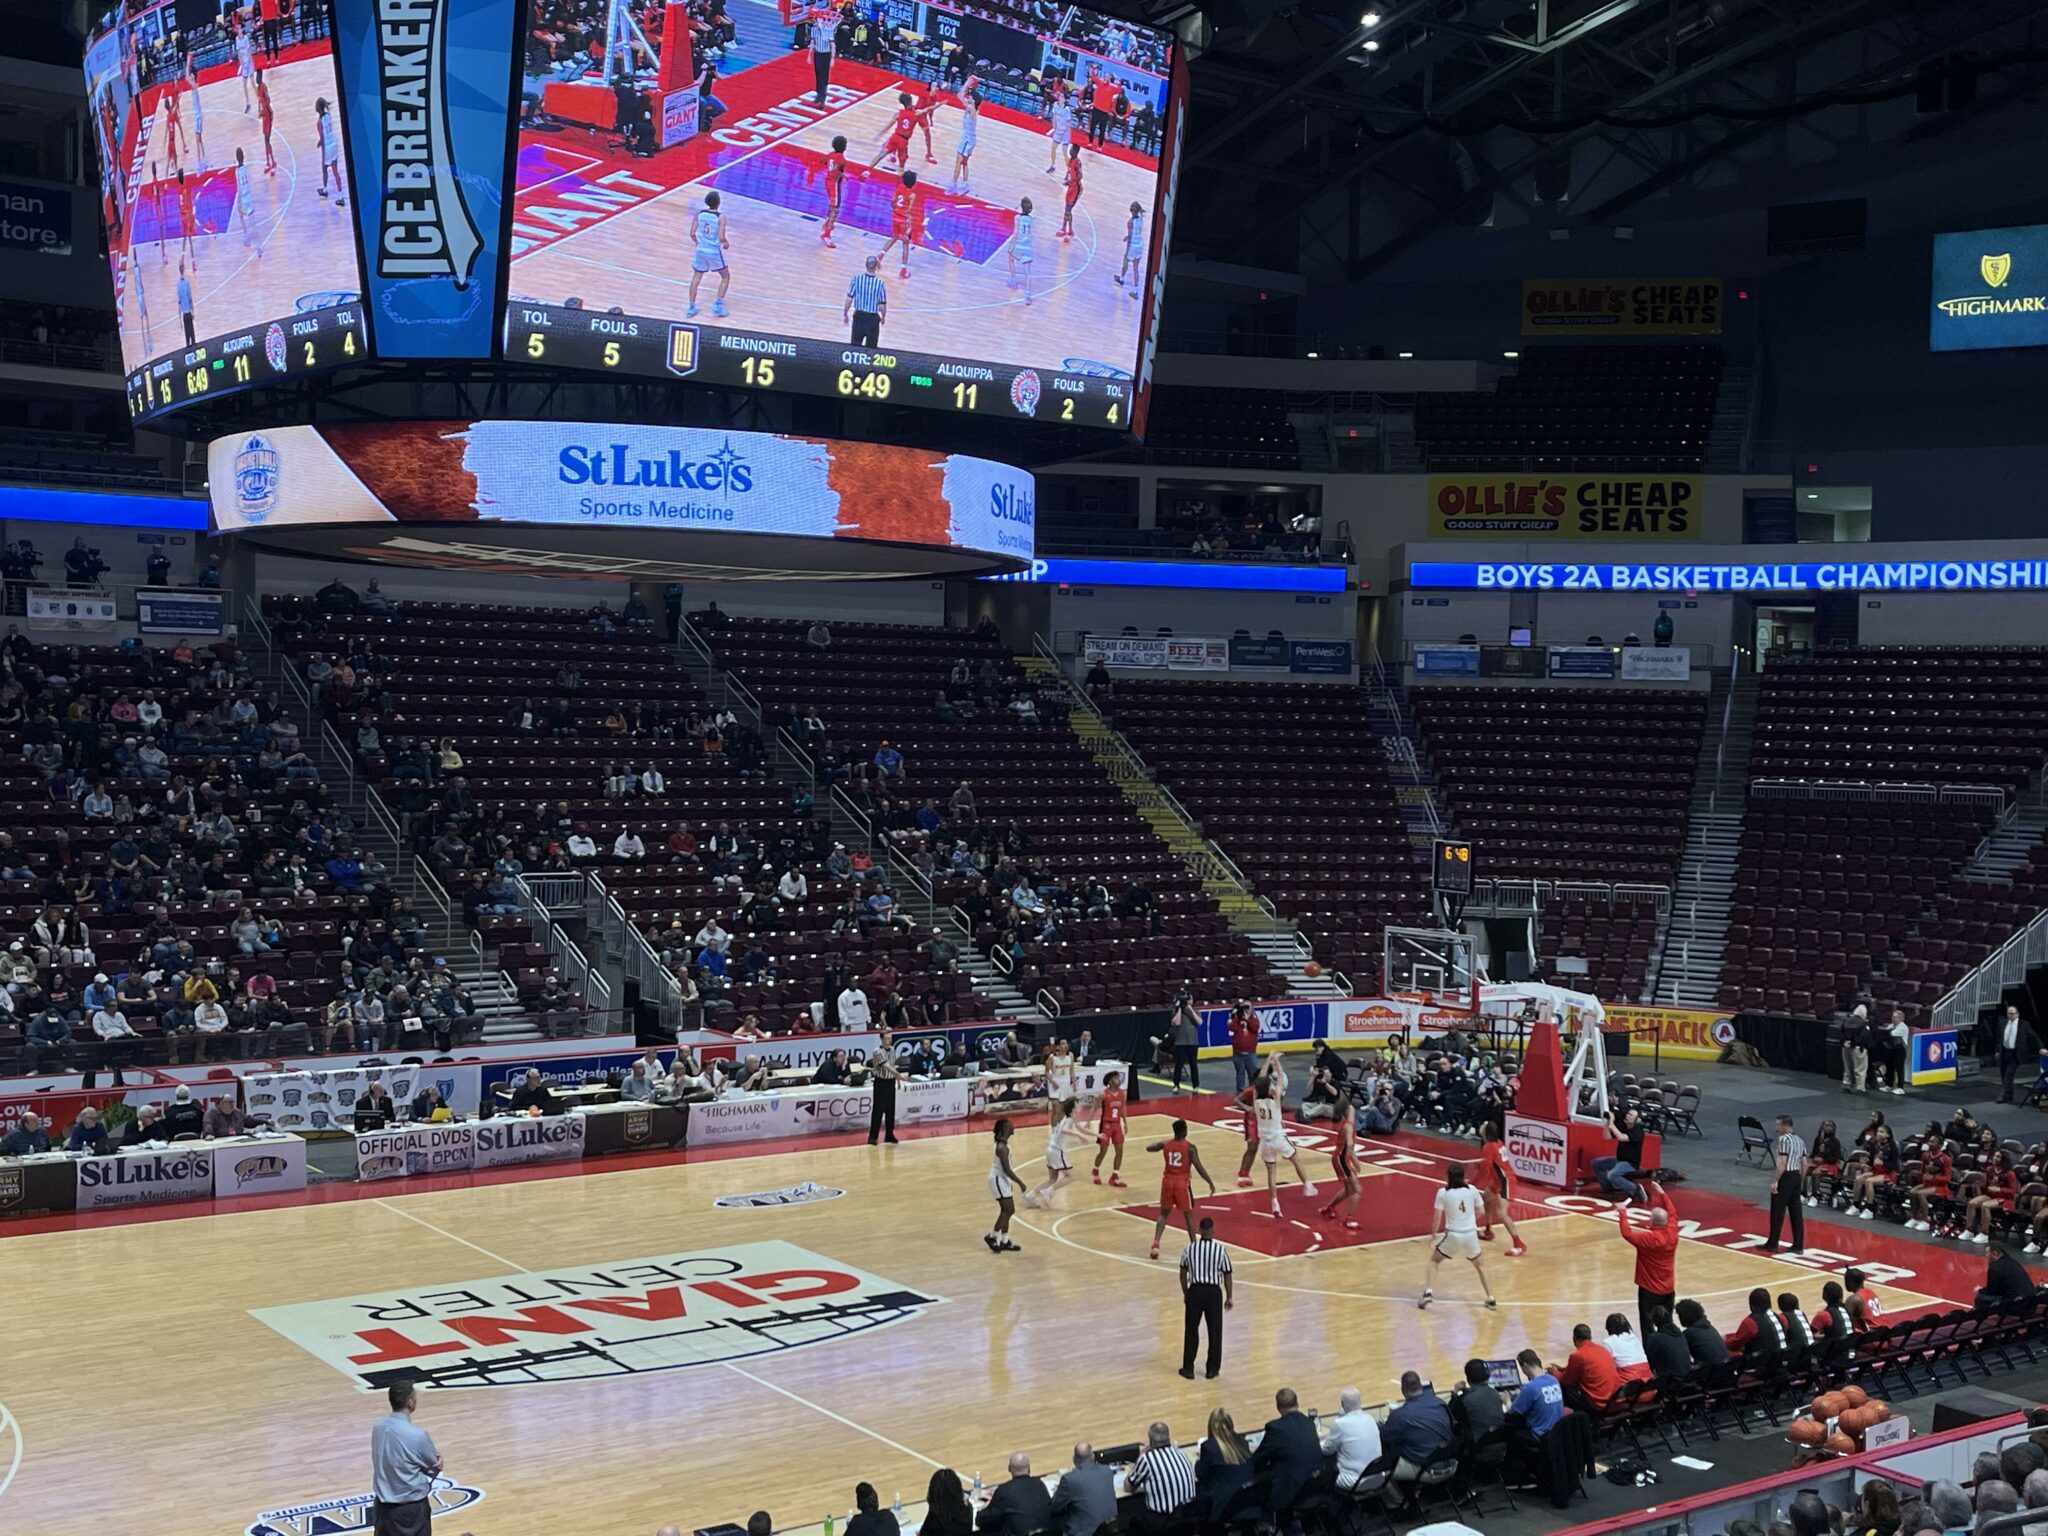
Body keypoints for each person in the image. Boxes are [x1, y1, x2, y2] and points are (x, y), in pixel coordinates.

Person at [371, 1381, 443, 1536]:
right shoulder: (418, 1435)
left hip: (382, 1507)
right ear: (410, 1403)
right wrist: (439, 1461)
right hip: (410, 1511)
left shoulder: (378, 1427)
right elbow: (433, 1468)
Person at [1422, 1162, 1496, 1310]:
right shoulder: (1472, 1190)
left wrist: (1433, 1234)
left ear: (1448, 1177)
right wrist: (1469, 1219)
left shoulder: (1443, 1192)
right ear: (1463, 1176)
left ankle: (1428, 1293)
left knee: (1434, 1261)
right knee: (1480, 1266)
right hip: (1470, 1235)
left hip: (1454, 1235)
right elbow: (1481, 1211)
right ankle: (1491, 1298)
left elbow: (1437, 1216)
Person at [1147, 1118, 1216, 1258]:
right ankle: (1195, 1246)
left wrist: (1166, 1142)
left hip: (1167, 1182)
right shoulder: (1190, 1147)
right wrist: (1210, 1182)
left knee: (1163, 1214)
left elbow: (1149, 1148)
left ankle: (1155, 1244)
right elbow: (1199, 1167)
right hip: (1181, 1184)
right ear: (1185, 1131)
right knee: (1188, 1215)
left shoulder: (1166, 1144)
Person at [1618, 1177, 1679, 1333]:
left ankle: (1651, 1352)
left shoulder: (1648, 1239)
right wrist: (1662, 1193)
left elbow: (1627, 1233)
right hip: (1668, 1288)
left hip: (1649, 1289)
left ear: (1651, 1221)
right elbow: (1673, 1213)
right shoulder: (1672, 1232)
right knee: (1667, 1322)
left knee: (1647, 1324)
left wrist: (1622, 1212)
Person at [1251, 1388, 1322, 1516]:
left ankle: (1266, 1521)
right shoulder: (1309, 1423)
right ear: (1297, 1403)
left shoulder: (1275, 1428)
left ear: (1278, 1407)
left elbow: (1258, 1460)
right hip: (1315, 1488)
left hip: (1291, 1491)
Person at [1178, 1215, 1233, 1379]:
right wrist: (1229, 1296)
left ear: (1200, 1230)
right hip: (1213, 1293)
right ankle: (1212, 1369)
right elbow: (1227, 1274)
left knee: (1191, 1331)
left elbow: (1182, 1272)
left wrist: (1186, 1292)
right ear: (1213, 1231)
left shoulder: (1190, 1249)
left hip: (1195, 1291)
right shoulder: (1220, 1250)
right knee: (1215, 1332)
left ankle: (1188, 1368)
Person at [1252, 1077, 1316, 1215]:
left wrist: (1269, 1061)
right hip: (1277, 1137)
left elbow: (1259, 1084)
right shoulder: (1275, 1101)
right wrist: (1277, 1065)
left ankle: (1275, 1203)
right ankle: (1307, 1185)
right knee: (1295, 1159)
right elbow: (1280, 1083)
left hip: (1265, 1140)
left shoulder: (1256, 1103)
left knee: (1271, 1173)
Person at [1383, 1370, 1453, 1490]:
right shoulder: (1440, 1403)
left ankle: (1401, 1503)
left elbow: (1385, 1437)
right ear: (1421, 1386)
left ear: (1403, 1391)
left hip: (1428, 1470)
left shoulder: (1400, 1416)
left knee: (1381, 1471)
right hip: (1452, 1463)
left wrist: (1391, 1420)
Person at [1124, 1421, 1197, 1533]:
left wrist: (1137, 1463)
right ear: (1168, 1438)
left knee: (1133, 1519)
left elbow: (1128, 1487)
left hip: (1165, 1523)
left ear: (1151, 1441)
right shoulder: (1181, 1453)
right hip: (1188, 1520)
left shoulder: (1147, 1459)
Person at [1476, 1120, 1527, 1254]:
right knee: (1485, 1199)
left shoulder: (1488, 1147)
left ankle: (1518, 1244)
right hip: (1498, 1180)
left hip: (1505, 1181)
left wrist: (1471, 1183)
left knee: (1502, 1214)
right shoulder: (1498, 1142)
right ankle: (1488, 1230)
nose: (1480, 1126)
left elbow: (1485, 1169)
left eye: (1482, 1126)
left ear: (1486, 1131)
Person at [1319, 1386, 1384, 1490]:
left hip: (1354, 1481)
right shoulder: (1370, 1418)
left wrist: (1318, 1441)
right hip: (1378, 1478)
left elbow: (1327, 1450)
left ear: (1342, 1404)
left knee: (1325, 1474)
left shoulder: (1340, 1423)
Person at [976, 1452, 1052, 1536]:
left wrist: (983, 1509)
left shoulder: (1005, 1491)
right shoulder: (1040, 1485)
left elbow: (981, 1520)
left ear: (1009, 1469)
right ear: (1029, 1468)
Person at [1763, 1113, 1808, 1254]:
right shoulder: (1800, 1140)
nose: (1777, 1128)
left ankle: (1773, 1242)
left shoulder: (1783, 1140)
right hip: (1796, 1176)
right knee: (1796, 1213)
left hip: (1786, 1176)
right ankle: (1798, 1245)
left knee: (1777, 1211)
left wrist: (1776, 1181)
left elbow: (1782, 1163)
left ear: (1785, 1125)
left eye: (1778, 1125)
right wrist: (1800, 1180)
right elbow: (1805, 1163)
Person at [1050, 1444, 1117, 1536]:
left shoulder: (1069, 1479)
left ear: (1074, 1460)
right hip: (1110, 1530)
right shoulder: (1107, 1471)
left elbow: (1054, 1508)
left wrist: (1057, 1492)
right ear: (1093, 1456)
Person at [1317, 1091, 1362, 1229]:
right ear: (1347, 1112)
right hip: (1341, 1159)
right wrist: (1355, 1161)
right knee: (1357, 1189)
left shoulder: (1348, 1122)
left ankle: (1328, 1208)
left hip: (1340, 1158)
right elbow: (1349, 1147)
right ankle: (1349, 1219)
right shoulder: (1348, 1126)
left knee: (1349, 1189)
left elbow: (1350, 1109)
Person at [1554, 1322, 1623, 1411]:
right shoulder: (1603, 1350)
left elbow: (1566, 1381)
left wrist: (1554, 1372)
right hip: (1615, 1401)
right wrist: (1564, 1369)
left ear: (1574, 1339)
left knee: (1564, 1388)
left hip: (1599, 1405)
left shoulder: (1577, 1355)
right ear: (1590, 1337)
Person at [686, 189, 732, 318]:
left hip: (701, 250)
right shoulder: (720, 217)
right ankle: (718, 305)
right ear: (718, 203)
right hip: (713, 251)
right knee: (725, 276)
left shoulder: (699, 214)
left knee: (696, 277)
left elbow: (692, 233)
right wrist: (726, 243)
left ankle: (691, 306)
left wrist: (697, 243)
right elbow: (721, 236)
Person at [1591, 1105, 1647, 1202]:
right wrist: (1608, 1123)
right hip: (1619, 1160)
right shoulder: (1624, 1127)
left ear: (1637, 1120)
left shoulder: (1638, 1132)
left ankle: (1635, 1189)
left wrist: (1612, 1124)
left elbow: (1621, 1137)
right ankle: (1609, 1190)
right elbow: (1606, 1137)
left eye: (1631, 1116)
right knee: (1596, 1163)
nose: (1627, 1116)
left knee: (1612, 1175)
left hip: (1631, 1163)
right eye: (1628, 1114)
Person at [1507, 1349, 1565, 1438]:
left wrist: (1507, 1400)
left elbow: (1512, 1412)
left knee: (1511, 1424)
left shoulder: (1531, 1388)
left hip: (1540, 1435)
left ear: (1525, 1366)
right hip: (1557, 1432)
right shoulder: (1553, 1380)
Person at [1451, 1358, 1507, 1448]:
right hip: (1502, 1446)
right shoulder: (1495, 1393)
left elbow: (1452, 1416)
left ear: (1468, 1378)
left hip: (1478, 1450)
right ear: (1487, 1376)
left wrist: (1454, 1393)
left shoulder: (1464, 1399)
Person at [986, 1117, 1022, 1253]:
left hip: (1002, 1179)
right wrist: (1020, 1183)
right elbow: (1007, 1170)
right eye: (1010, 1125)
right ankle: (992, 1236)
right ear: (1004, 1130)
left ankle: (1005, 1241)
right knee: (1008, 1210)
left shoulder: (1004, 1144)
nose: (1013, 1126)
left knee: (1007, 1211)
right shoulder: (1001, 1147)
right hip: (998, 1179)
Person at [1091, 1069, 1127, 1185]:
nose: (1119, 1080)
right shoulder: (1104, 1094)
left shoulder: (1122, 1093)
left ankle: (1115, 1176)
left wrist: (1125, 1123)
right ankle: (1095, 1171)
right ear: (1110, 1081)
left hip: (1117, 1124)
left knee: (1120, 1151)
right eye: (1116, 1078)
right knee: (1103, 1151)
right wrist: (1088, 1121)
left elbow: (1122, 1109)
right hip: (1106, 1124)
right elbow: (1095, 1107)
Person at [1999, 1004, 2040, 1104]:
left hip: (2016, 1053)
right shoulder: (2003, 1023)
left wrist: (2041, 1047)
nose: (2010, 1015)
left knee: (2008, 1075)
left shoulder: (2024, 1024)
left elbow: (2033, 1036)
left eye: (2012, 1014)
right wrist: (1997, 1050)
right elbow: (1999, 1038)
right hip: (2005, 1052)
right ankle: (2009, 1095)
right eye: (2009, 1013)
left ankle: (2004, 1096)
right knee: (2004, 1075)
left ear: (2017, 1014)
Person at [845, 255, 887, 347]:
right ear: (876, 267)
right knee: (871, 350)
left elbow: (849, 299)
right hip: (872, 320)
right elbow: (882, 305)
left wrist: (845, 314)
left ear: (865, 265)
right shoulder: (879, 283)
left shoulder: (857, 279)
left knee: (855, 347)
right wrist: (883, 317)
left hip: (859, 317)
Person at [1981, 1242, 2040, 1307]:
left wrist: (1980, 1291)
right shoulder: (2012, 1261)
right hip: (2030, 1299)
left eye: (1987, 1253)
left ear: (1995, 1253)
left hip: (2016, 1304)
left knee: (1981, 1298)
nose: (1986, 1255)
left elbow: (1992, 1292)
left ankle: (1981, 1316)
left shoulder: (1995, 1268)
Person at [868, 1037, 899, 1144]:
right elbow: (885, 1065)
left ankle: (889, 1134)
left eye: (890, 1038)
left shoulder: (893, 1049)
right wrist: (899, 1075)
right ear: (881, 1039)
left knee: (891, 1109)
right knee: (878, 1110)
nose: (889, 1040)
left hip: (891, 1082)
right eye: (887, 1038)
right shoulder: (877, 1051)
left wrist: (897, 1080)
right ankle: (873, 1136)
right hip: (881, 1082)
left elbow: (893, 1065)